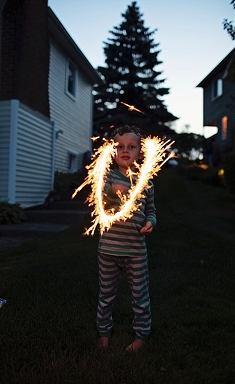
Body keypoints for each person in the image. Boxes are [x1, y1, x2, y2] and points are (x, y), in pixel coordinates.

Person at [95, 125, 155, 352]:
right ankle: (103, 334)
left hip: (136, 250)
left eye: (131, 146)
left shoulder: (146, 181)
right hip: (109, 250)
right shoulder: (106, 178)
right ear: (112, 151)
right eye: (119, 146)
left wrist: (151, 222)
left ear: (140, 151)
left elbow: (151, 211)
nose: (125, 150)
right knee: (106, 295)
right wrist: (113, 191)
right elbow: (99, 200)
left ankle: (142, 335)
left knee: (140, 295)